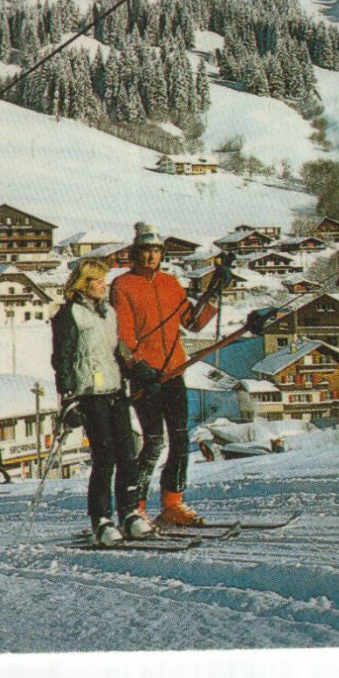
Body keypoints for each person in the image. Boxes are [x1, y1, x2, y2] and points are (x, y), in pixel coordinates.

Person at [110, 222, 215, 528]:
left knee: (181, 439)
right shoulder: (123, 285)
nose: (150, 258)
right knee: (154, 441)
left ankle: (173, 504)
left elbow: (192, 323)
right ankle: (136, 508)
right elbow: (123, 335)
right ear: (135, 254)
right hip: (145, 375)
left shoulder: (171, 284)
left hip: (173, 370)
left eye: (155, 252)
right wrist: (138, 368)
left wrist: (214, 293)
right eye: (145, 252)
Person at [51, 257, 154, 546]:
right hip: (89, 393)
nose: (103, 285)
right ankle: (101, 519)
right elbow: (62, 359)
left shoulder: (108, 313)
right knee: (105, 458)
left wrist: (135, 367)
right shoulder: (69, 315)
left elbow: (117, 349)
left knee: (127, 453)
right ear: (84, 284)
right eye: (97, 280)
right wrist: (68, 397)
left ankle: (129, 513)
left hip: (114, 389)